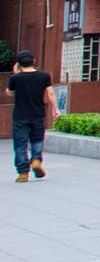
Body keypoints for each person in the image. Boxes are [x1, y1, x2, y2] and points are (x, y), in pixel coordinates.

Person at [9, 49, 53, 182]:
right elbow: (50, 93)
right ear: (34, 61)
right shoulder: (44, 76)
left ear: (18, 64)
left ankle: (23, 173)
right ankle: (36, 160)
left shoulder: (15, 78)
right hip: (38, 114)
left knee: (20, 144)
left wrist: (16, 73)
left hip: (20, 116)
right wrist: (55, 109)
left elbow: (10, 93)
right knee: (37, 139)